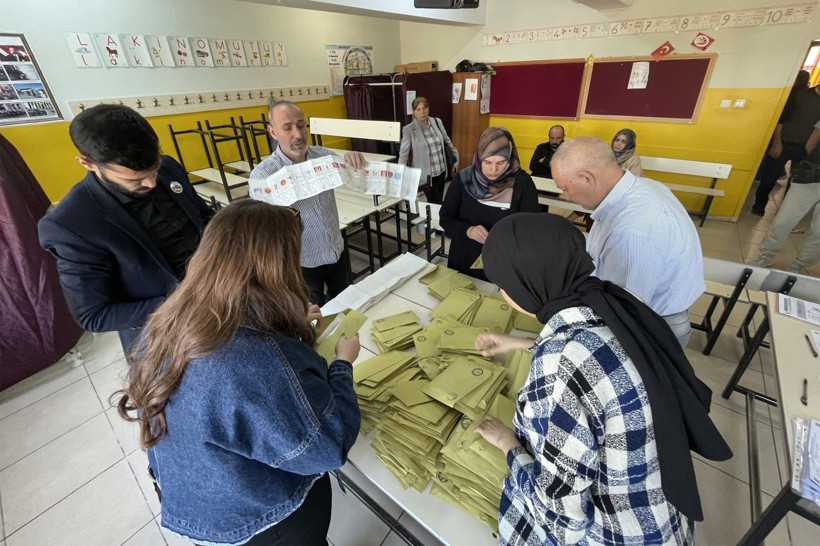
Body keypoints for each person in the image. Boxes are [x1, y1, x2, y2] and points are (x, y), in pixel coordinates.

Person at [473, 213, 731, 546]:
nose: (502, 293)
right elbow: (601, 359)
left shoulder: (557, 368)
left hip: (614, 533)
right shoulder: (612, 303)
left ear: (524, 288)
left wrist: (507, 444)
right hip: (660, 520)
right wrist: (525, 343)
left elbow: (564, 522)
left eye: (503, 285)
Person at [116, 200, 361, 546]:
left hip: (196, 501)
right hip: (262, 521)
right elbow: (326, 446)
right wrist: (342, 365)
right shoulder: (258, 359)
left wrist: (286, 323)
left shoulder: (169, 319)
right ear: (276, 268)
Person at [38, 104, 214, 352]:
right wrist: (187, 301)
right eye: (134, 179)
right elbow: (94, 315)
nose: (151, 183)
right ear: (87, 163)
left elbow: (203, 217)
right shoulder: (72, 224)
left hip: (219, 293)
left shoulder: (169, 167)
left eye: (153, 169)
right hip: (166, 329)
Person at [550, 136, 703, 347]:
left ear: (586, 178)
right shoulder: (643, 187)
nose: (565, 197)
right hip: (653, 314)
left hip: (651, 326)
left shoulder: (631, 230)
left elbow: (621, 311)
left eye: (565, 188)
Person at [250, 100, 366, 305]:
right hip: (302, 263)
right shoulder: (264, 175)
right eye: (287, 128)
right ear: (273, 132)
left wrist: (353, 159)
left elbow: (356, 177)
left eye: (301, 125)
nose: (297, 134)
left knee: (346, 304)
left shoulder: (324, 156)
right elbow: (261, 230)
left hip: (336, 250)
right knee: (315, 317)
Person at [439, 126, 540, 280]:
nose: (493, 170)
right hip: (464, 255)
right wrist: (468, 230)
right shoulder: (464, 179)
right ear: (479, 158)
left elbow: (531, 227)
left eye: (501, 162)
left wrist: (505, 236)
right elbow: (446, 218)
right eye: (487, 162)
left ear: (510, 157)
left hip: (503, 260)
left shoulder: (522, 183)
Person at [750, 119, 820, 272]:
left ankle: (798, 267)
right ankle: (764, 257)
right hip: (811, 176)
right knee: (784, 219)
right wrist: (804, 165)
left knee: (819, 233)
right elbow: (813, 141)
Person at [751, 83, 820, 215]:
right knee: (769, 178)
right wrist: (777, 142)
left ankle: (784, 212)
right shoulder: (801, 95)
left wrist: (806, 151)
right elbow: (780, 119)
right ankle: (758, 206)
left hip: (807, 149)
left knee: (796, 184)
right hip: (784, 143)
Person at [397, 96, 459, 204]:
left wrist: (455, 158)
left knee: (438, 199)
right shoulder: (408, 130)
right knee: (434, 201)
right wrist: (399, 173)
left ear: (428, 109)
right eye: (418, 109)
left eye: (424, 108)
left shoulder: (437, 122)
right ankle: (435, 218)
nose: (422, 112)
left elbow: (446, 141)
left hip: (441, 169)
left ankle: (435, 218)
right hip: (426, 174)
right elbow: (404, 154)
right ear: (414, 112)